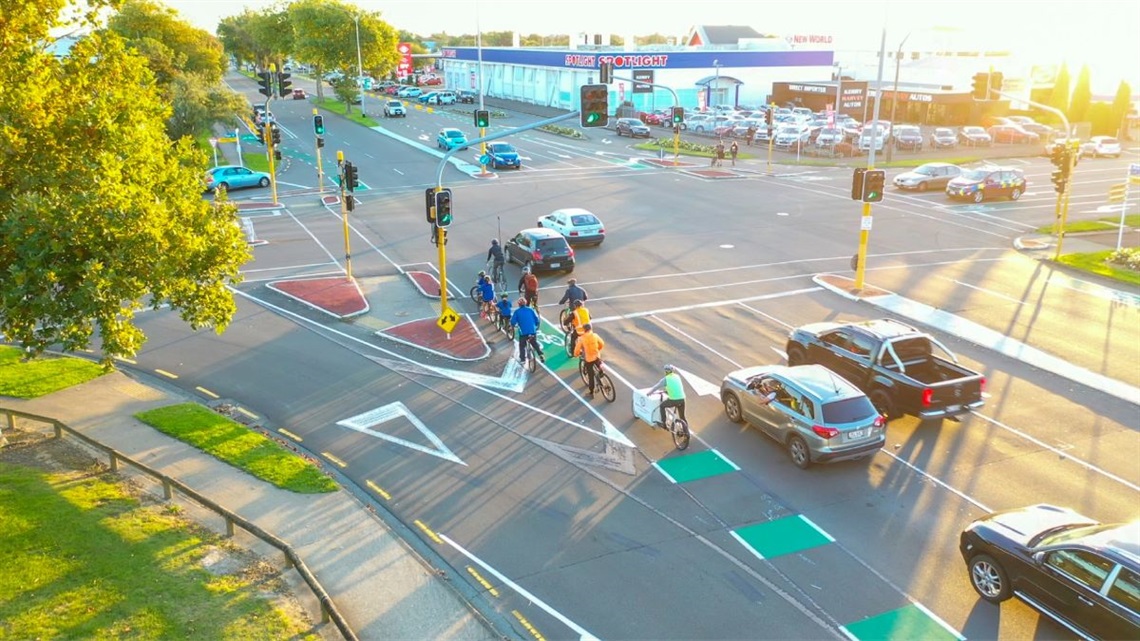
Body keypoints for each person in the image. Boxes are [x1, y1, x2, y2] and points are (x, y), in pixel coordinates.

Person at [572, 323, 605, 397]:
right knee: (598, 362)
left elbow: (577, 350)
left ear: (584, 330)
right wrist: (598, 349)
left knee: (591, 376)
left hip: (589, 359)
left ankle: (591, 392)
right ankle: (601, 371)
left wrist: (576, 354)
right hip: (596, 355)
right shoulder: (595, 335)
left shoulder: (582, 338)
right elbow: (602, 343)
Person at [510, 297, 544, 364]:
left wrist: (513, 325)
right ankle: (541, 355)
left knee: (522, 346)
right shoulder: (531, 310)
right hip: (532, 331)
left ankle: (523, 359)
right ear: (525, 303)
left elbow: (513, 321)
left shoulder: (517, 311)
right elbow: (537, 319)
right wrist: (536, 325)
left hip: (523, 332)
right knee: (534, 343)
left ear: (519, 304)